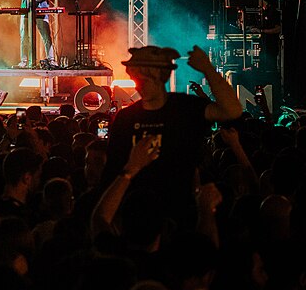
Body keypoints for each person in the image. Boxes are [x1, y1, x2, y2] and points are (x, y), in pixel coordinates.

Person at [102, 45, 242, 227]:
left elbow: (232, 111)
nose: (139, 86)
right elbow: (111, 172)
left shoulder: (185, 108)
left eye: (145, 79)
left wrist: (208, 69)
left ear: (161, 76)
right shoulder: (126, 118)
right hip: (136, 218)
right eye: (136, 79)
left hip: (180, 217)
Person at [18, 0, 55, 68]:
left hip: (40, 11)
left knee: (46, 36)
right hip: (26, 10)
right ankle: (24, 61)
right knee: (24, 36)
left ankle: (51, 59)